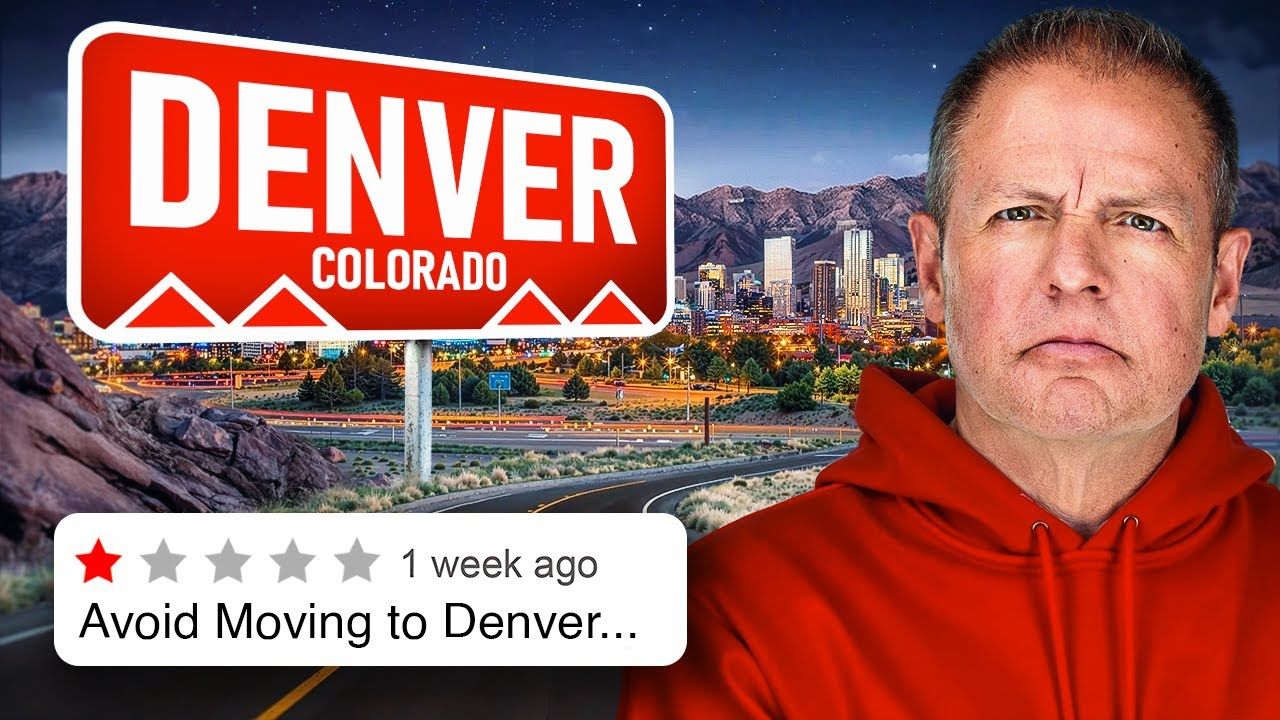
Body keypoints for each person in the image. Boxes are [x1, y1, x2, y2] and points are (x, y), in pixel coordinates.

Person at [617, 8, 1280, 719]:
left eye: (1141, 220)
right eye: (1021, 213)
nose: (1075, 270)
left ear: (1223, 285)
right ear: (932, 272)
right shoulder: (737, 615)